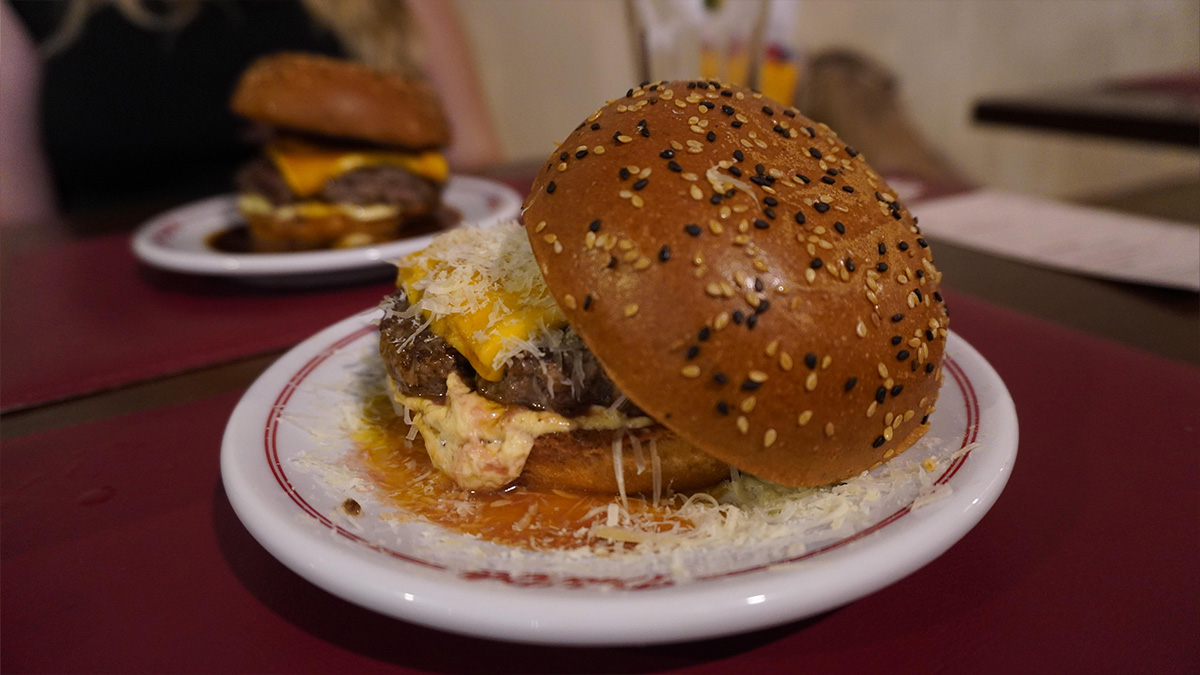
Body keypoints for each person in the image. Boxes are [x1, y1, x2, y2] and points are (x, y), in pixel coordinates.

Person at [0, 0, 501, 227]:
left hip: (373, 281)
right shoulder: (29, 13)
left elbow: (475, 158)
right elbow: (19, 235)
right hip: (110, 322)